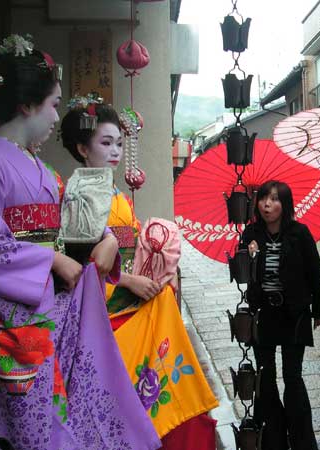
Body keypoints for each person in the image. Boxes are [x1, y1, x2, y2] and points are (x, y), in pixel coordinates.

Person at [0, 35, 160, 448]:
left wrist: (106, 240)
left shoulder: (41, 169)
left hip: (50, 310)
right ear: (28, 105)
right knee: (29, 432)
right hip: (12, 320)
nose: (56, 116)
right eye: (54, 104)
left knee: (71, 418)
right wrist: (52, 262)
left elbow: (77, 224)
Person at [60, 98, 218, 448]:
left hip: (127, 299)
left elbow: (131, 247)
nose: (115, 151)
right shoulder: (79, 193)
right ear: (82, 148)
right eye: (105, 143)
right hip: (106, 310)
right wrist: (129, 279)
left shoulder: (114, 192)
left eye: (119, 143)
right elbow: (80, 262)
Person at [241, 180, 320, 450]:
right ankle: (273, 439)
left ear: (285, 204)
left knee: (292, 376)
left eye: (275, 199)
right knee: (265, 377)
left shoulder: (299, 233)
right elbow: (242, 274)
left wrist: (319, 309)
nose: (267, 204)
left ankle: (301, 441)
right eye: (263, 198)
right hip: (262, 314)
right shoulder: (251, 233)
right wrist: (250, 257)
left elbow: (315, 273)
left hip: (294, 313)